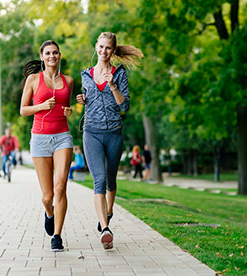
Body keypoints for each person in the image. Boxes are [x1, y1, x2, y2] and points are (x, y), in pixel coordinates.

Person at [76, 32, 143, 250]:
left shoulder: (120, 74)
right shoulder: (86, 75)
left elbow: (124, 106)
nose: (103, 51)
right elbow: (90, 102)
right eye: (101, 47)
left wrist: (113, 85)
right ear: (96, 46)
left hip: (114, 133)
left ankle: (109, 211)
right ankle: (105, 229)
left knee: (111, 182)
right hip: (91, 133)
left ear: (113, 51)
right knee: (100, 180)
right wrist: (83, 100)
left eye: (108, 48)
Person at [20, 40, 74, 252]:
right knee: (47, 196)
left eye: (55, 53)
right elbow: (23, 110)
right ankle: (49, 213)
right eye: (48, 53)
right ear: (42, 57)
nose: (52, 56)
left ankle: (58, 236)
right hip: (40, 139)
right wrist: (41, 106)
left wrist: (68, 111)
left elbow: (66, 107)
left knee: (61, 187)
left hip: (62, 136)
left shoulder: (68, 80)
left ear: (59, 55)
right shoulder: (34, 80)